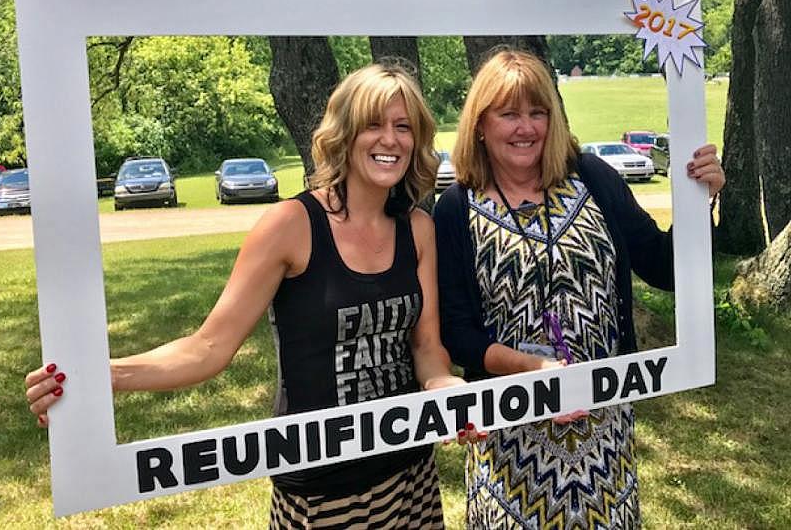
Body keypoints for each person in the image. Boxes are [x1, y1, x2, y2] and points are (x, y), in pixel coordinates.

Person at [25, 62, 474, 529]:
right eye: (373, 124)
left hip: (409, 475)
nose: (390, 139)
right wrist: (103, 377)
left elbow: (425, 346)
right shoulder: (290, 227)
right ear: (344, 134)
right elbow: (209, 347)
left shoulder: (418, 229)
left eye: (403, 127)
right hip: (321, 489)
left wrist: (440, 384)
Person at [432, 49, 725, 529]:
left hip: (602, 436)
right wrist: (536, 373)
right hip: (509, 445)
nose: (526, 127)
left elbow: (664, 268)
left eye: (538, 112)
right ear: (480, 124)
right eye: (509, 114)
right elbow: (458, 332)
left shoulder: (593, 179)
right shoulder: (455, 208)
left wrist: (700, 203)